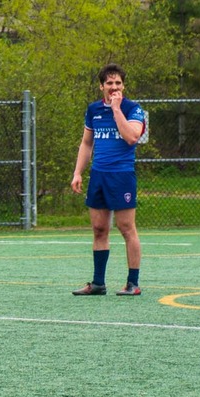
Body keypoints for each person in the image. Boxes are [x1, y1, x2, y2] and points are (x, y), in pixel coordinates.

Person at [71, 63, 149, 296]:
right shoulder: (93, 109)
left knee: (126, 228)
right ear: (101, 86)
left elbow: (132, 137)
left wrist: (116, 110)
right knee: (99, 228)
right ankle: (97, 283)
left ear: (123, 85)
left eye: (118, 83)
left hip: (122, 176)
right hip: (99, 175)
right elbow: (87, 143)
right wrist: (77, 172)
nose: (114, 87)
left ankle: (132, 283)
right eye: (109, 83)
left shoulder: (132, 109)